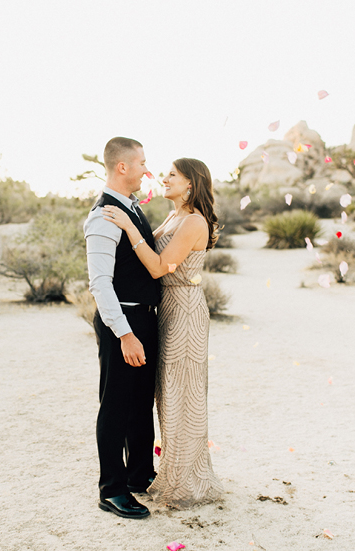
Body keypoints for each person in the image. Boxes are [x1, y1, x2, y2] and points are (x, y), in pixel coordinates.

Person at [102, 157, 224, 509]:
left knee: (183, 393)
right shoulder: (174, 216)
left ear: (190, 184)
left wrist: (129, 227)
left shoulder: (194, 221)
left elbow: (158, 268)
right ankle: (171, 471)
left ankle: (189, 480)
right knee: (167, 394)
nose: (165, 178)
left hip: (185, 309)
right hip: (167, 309)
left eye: (173, 174)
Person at [84, 137, 160, 519]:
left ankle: (139, 475)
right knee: (115, 406)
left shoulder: (130, 208)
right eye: (142, 163)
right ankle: (111, 490)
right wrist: (125, 332)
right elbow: (100, 283)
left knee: (139, 403)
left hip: (144, 317)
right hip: (124, 322)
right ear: (122, 167)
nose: (148, 169)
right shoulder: (103, 216)